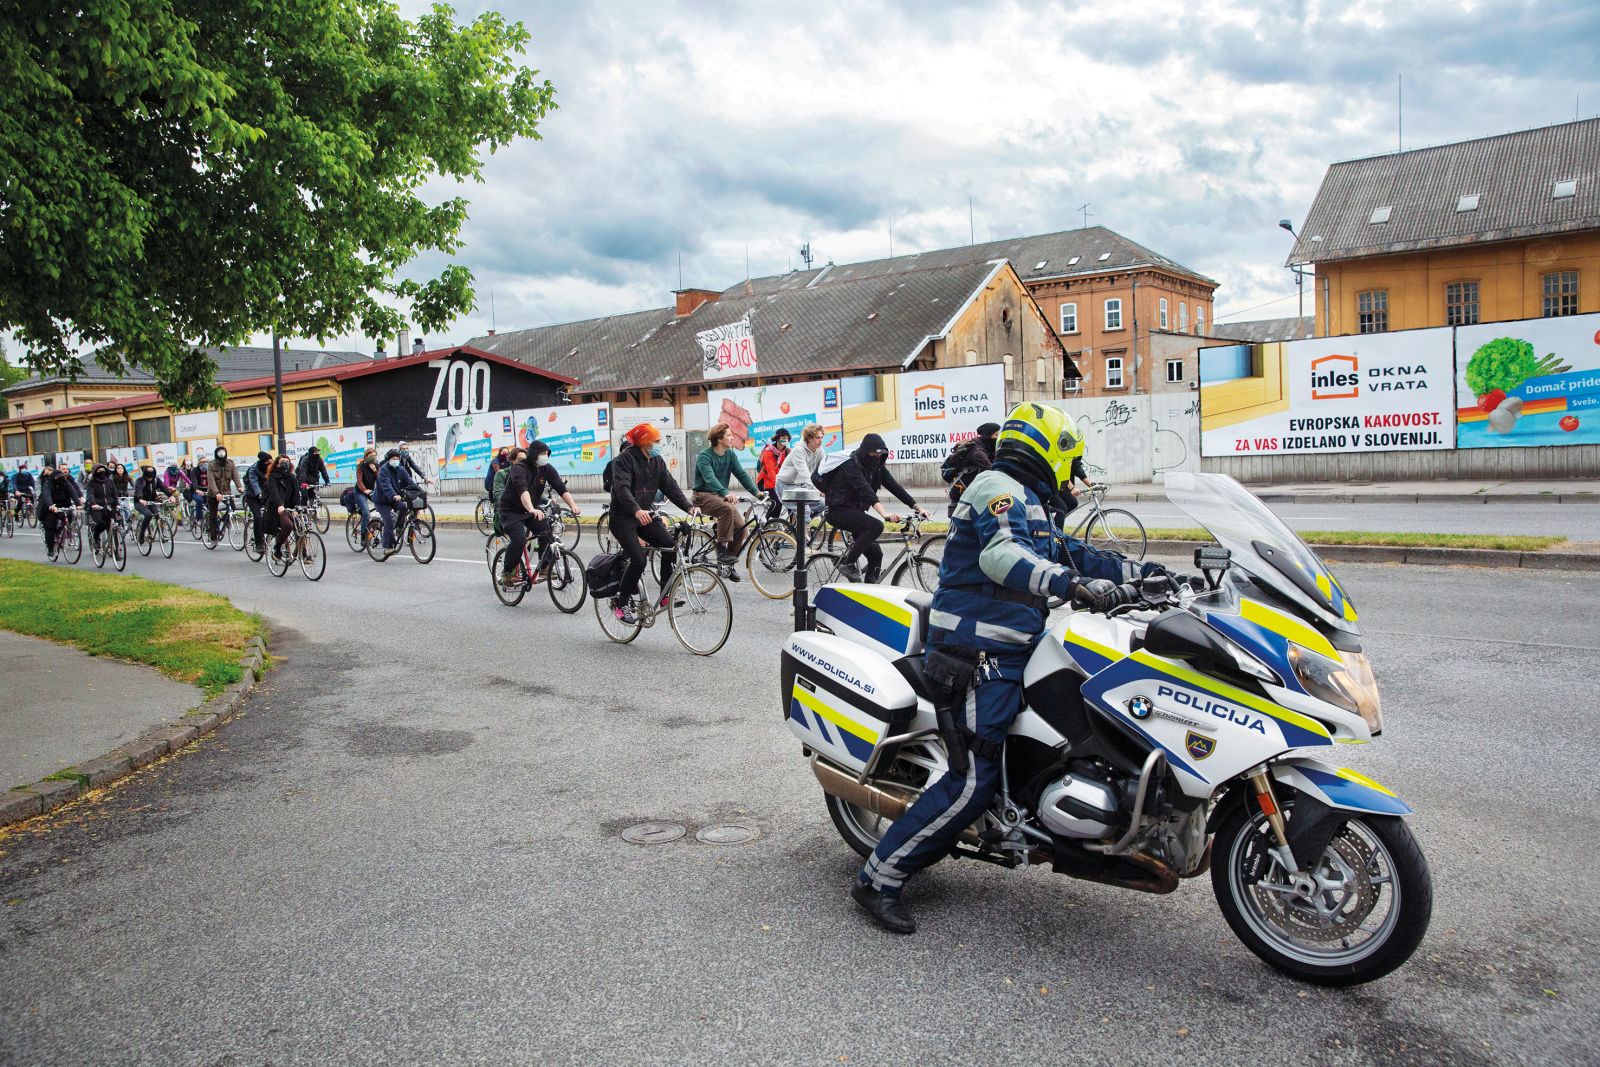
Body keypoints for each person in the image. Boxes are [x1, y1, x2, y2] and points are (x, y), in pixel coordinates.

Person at [851, 403, 1158, 934]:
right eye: (1070, 455)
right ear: (1046, 448)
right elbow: (1001, 558)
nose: (1073, 468)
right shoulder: (996, 488)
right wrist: (1070, 586)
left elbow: (1071, 552)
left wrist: (1148, 573)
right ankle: (878, 877)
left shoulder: (1032, 499)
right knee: (974, 778)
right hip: (975, 651)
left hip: (1016, 645)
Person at [608, 422, 698, 624]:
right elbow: (622, 489)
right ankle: (621, 600)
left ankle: (665, 595)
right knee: (639, 559)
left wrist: (688, 507)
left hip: (645, 516)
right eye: (656, 441)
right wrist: (636, 509)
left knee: (670, 546)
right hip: (623, 518)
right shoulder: (624, 460)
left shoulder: (656, 460)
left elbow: (670, 486)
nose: (659, 444)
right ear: (645, 443)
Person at [820, 433, 927, 583]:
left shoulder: (877, 466)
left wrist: (917, 507)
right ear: (865, 452)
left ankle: (869, 593)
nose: (876, 457)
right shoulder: (851, 464)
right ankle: (847, 563)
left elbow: (894, 487)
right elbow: (865, 490)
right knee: (876, 526)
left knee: (876, 554)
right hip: (837, 510)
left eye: (880, 454)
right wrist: (884, 514)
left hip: (855, 511)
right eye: (872, 453)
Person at [498, 441, 580, 587]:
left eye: (546, 454)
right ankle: (507, 572)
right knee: (519, 540)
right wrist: (531, 509)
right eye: (542, 454)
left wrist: (573, 506)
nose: (544, 457)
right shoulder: (519, 468)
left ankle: (544, 567)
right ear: (533, 454)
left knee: (547, 531)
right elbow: (522, 490)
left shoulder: (546, 469)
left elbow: (560, 488)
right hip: (511, 511)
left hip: (530, 509)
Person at [691, 422, 762, 579]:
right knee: (727, 509)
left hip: (719, 496)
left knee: (742, 529)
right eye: (729, 435)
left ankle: (726, 566)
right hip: (702, 496)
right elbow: (709, 478)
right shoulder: (705, 456)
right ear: (719, 438)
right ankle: (721, 549)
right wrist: (725, 492)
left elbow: (741, 475)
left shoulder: (730, 455)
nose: (732, 438)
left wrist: (757, 493)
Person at [940, 422, 1000, 516]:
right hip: (964, 495)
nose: (998, 437)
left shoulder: (982, 446)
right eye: (996, 434)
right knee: (965, 527)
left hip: (968, 493)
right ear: (988, 435)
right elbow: (992, 471)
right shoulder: (977, 451)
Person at [776, 424, 826, 523]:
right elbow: (805, 474)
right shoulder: (798, 451)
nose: (821, 440)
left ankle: (799, 524)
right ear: (809, 439)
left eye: (822, 437)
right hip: (785, 486)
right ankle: (802, 536)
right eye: (817, 438)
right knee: (805, 510)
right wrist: (817, 490)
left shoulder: (820, 451)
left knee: (823, 504)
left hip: (802, 486)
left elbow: (825, 469)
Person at [375, 447, 421, 553]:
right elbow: (386, 485)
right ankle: (387, 547)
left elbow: (409, 480)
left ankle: (399, 528)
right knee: (388, 521)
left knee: (405, 507)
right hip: (382, 500)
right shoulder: (384, 470)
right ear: (389, 459)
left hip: (393, 498)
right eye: (393, 458)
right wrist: (393, 495)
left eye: (397, 458)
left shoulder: (400, 469)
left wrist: (419, 491)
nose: (395, 460)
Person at [262, 455, 300, 561]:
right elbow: (274, 492)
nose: (286, 463)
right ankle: (277, 547)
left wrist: (297, 508)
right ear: (277, 464)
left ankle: (304, 554)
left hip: (290, 508)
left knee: (301, 526)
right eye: (283, 461)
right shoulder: (273, 477)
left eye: (287, 461)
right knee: (288, 525)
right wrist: (280, 505)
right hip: (276, 508)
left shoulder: (292, 477)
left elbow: (296, 494)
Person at [39, 463, 81, 556]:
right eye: (57, 478)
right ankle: (50, 548)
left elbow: (73, 492)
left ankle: (62, 531)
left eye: (60, 477)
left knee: (68, 517)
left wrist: (78, 504)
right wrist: (51, 505)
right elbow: (46, 495)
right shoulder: (47, 484)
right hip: (49, 508)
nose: (59, 479)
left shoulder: (65, 483)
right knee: (50, 526)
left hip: (63, 506)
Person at [205, 446, 241, 540]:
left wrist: (239, 487)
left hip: (226, 492)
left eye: (223, 451)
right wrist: (216, 493)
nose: (221, 453)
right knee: (213, 514)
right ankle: (213, 536)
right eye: (219, 452)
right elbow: (211, 480)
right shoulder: (211, 464)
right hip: (213, 494)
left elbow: (235, 476)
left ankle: (225, 520)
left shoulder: (230, 464)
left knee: (232, 508)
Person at [131, 465, 173, 545]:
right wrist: (140, 499)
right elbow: (138, 490)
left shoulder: (156, 480)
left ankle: (162, 534)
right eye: (148, 477)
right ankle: (141, 534)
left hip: (151, 502)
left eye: (151, 477)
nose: (150, 479)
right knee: (148, 515)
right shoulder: (140, 480)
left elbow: (163, 488)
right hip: (139, 502)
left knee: (158, 516)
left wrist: (170, 496)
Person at [757, 428, 791, 520]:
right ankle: (767, 523)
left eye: (787, 438)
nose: (785, 440)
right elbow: (770, 471)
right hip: (765, 483)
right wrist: (779, 485)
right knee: (777, 502)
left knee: (793, 502)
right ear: (777, 438)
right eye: (783, 437)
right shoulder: (768, 451)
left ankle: (793, 527)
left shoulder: (787, 451)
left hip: (780, 482)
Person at [83, 463, 118, 552]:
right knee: (101, 524)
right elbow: (90, 494)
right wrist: (93, 503)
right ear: (94, 472)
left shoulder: (110, 481)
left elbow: (114, 494)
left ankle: (115, 550)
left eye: (102, 470)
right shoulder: (91, 482)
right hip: (96, 508)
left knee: (113, 527)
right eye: (98, 471)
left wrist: (116, 505)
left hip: (108, 507)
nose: (101, 472)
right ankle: (96, 538)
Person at [242, 451, 272, 553]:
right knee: (258, 516)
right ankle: (259, 543)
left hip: (265, 494)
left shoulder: (271, 468)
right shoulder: (253, 468)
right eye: (267, 462)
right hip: (252, 496)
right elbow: (253, 481)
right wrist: (259, 493)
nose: (269, 464)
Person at [352, 448, 379, 533]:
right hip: (360, 492)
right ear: (366, 456)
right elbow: (359, 481)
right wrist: (364, 490)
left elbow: (380, 480)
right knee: (366, 514)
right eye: (371, 456)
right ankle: (364, 536)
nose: (373, 458)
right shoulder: (361, 466)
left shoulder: (376, 465)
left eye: (375, 456)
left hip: (371, 491)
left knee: (381, 507)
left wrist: (375, 470)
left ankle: (374, 529)